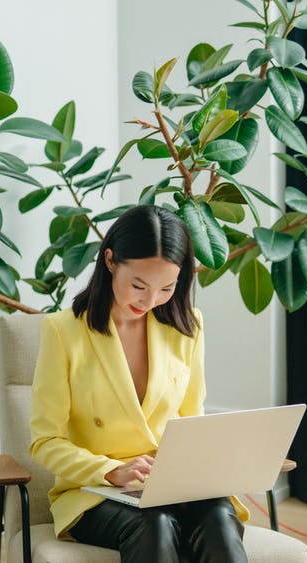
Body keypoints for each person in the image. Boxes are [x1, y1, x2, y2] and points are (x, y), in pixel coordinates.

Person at [28, 204, 248, 563]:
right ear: (110, 261)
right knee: (155, 523)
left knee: (220, 518)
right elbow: (45, 441)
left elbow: (192, 420)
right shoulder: (63, 331)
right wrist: (112, 471)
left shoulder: (187, 325)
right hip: (95, 491)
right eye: (139, 286)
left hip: (174, 485)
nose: (149, 301)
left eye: (166, 288)